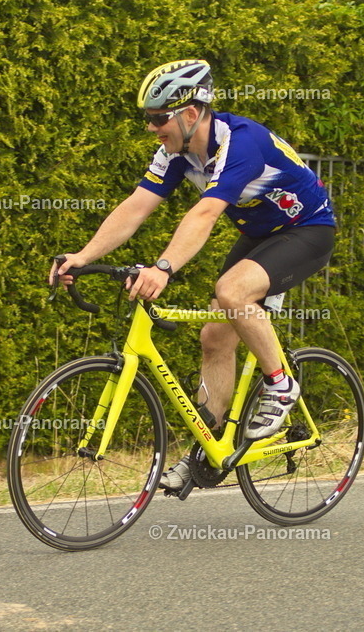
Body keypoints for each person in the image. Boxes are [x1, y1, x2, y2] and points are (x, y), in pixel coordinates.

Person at [49, 59, 336, 490]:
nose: (151, 128)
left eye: (158, 118)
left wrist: (163, 267)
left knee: (232, 290)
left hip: (307, 229)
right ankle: (211, 451)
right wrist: (83, 256)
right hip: (260, 234)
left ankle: (280, 385)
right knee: (214, 336)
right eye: (148, 119)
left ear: (189, 113)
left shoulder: (241, 143)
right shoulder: (176, 153)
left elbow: (205, 212)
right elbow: (136, 207)